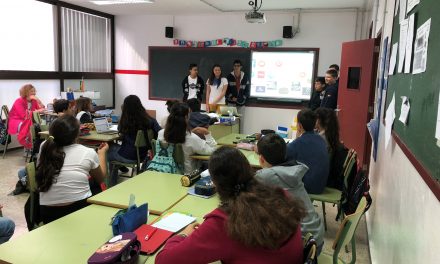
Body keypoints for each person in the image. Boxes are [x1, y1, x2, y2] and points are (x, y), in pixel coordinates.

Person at [156, 146, 306, 264]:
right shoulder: (281, 195)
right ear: (250, 169)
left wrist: (183, 234)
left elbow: (164, 260)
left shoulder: (224, 222)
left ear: (214, 183)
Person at [255, 133, 324, 254]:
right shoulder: (294, 169)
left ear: (261, 158)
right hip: (316, 238)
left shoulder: (266, 176)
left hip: (302, 247)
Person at [36, 115, 108, 224]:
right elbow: (101, 178)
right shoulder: (87, 152)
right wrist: (102, 154)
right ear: (77, 135)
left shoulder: (44, 146)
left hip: (47, 213)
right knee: (96, 184)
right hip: (79, 210)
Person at [107, 95, 161, 186]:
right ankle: (122, 170)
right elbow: (160, 132)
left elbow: (120, 133)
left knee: (108, 149)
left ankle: (111, 184)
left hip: (128, 156)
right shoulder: (151, 120)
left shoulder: (125, 121)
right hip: (143, 156)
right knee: (114, 148)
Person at [157, 103, 216, 174]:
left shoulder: (161, 133)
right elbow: (213, 151)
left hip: (164, 173)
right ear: (186, 117)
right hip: (187, 177)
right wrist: (207, 134)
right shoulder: (191, 138)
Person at [286, 109, 329, 194]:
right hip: (321, 185)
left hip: (308, 186)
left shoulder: (298, 143)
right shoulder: (320, 139)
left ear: (300, 126)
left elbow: (282, 156)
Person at [315, 107, 346, 190]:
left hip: (324, 180)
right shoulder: (330, 135)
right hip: (330, 176)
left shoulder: (320, 139)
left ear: (318, 120)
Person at [8, 84, 45, 148]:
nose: (34, 93)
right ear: (25, 92)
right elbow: (24, 115)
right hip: (16, 120)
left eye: (34, 91)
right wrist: (37, 111)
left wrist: (38, 100)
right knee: (31, 127)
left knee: (40, 126)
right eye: (31, 91)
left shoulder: (33, 101)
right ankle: (30, 147)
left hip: (28, 119)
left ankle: (37, 146)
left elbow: (42, 108)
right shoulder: (18, 101)